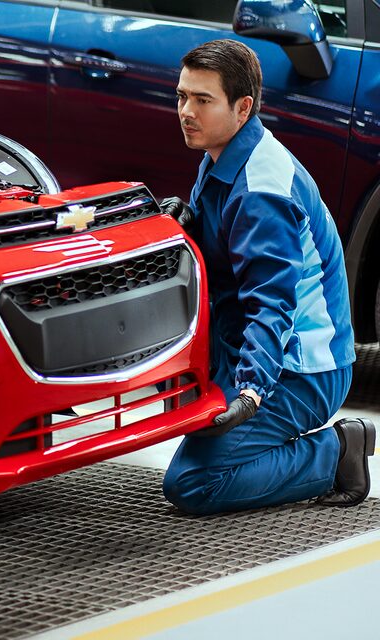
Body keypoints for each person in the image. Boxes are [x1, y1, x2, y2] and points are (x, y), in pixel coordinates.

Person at [159, 39, 373, 515]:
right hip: (247, 349)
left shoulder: (262, 191)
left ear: (243, 107)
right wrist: (190, 217)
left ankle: (338, 453)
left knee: (194, 483)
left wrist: (252, 393)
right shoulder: (224, 152)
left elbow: (272, 304)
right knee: (179, 424)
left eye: (202, 100)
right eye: (181, 96)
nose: (186, 111)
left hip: (301, 368)